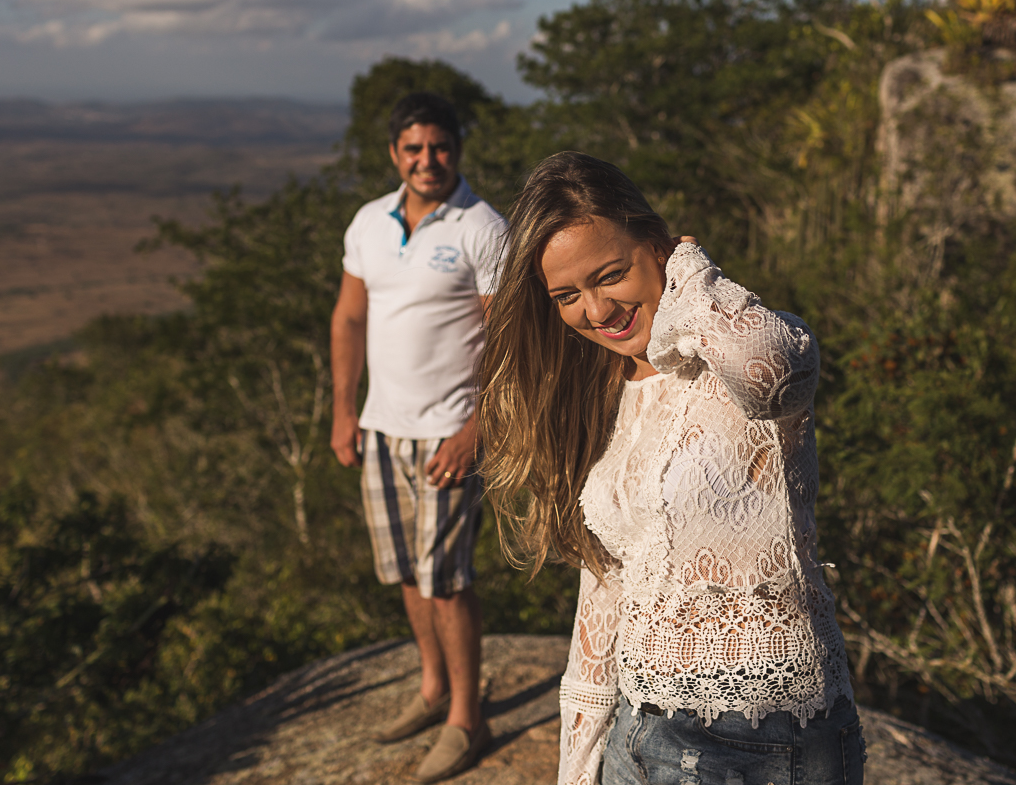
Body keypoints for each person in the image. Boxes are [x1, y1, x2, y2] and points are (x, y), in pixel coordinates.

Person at [479, 152, 863, 785]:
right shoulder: (606, 396)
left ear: (655, 245)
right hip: (636, 730)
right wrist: (578, 767)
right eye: (567, 296)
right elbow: (605, 590)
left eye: (610, 275)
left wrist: (690, 271)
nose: (596, 311)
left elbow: (772, 374)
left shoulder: (743, 350)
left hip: (760, 737)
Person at [330, 92, 504, 783]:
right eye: (414, 148)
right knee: (406, 572)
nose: (428, 159)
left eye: (440, 146)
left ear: (457, 149)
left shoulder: (482, 227)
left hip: (447, 433)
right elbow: (349, 319)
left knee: (446, 582)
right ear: (394, 153)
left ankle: (466, 718)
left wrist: (475, 430)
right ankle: (432, 689)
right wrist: (345, 412)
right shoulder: (369, 222)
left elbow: (509, 340)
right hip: (383, 429)